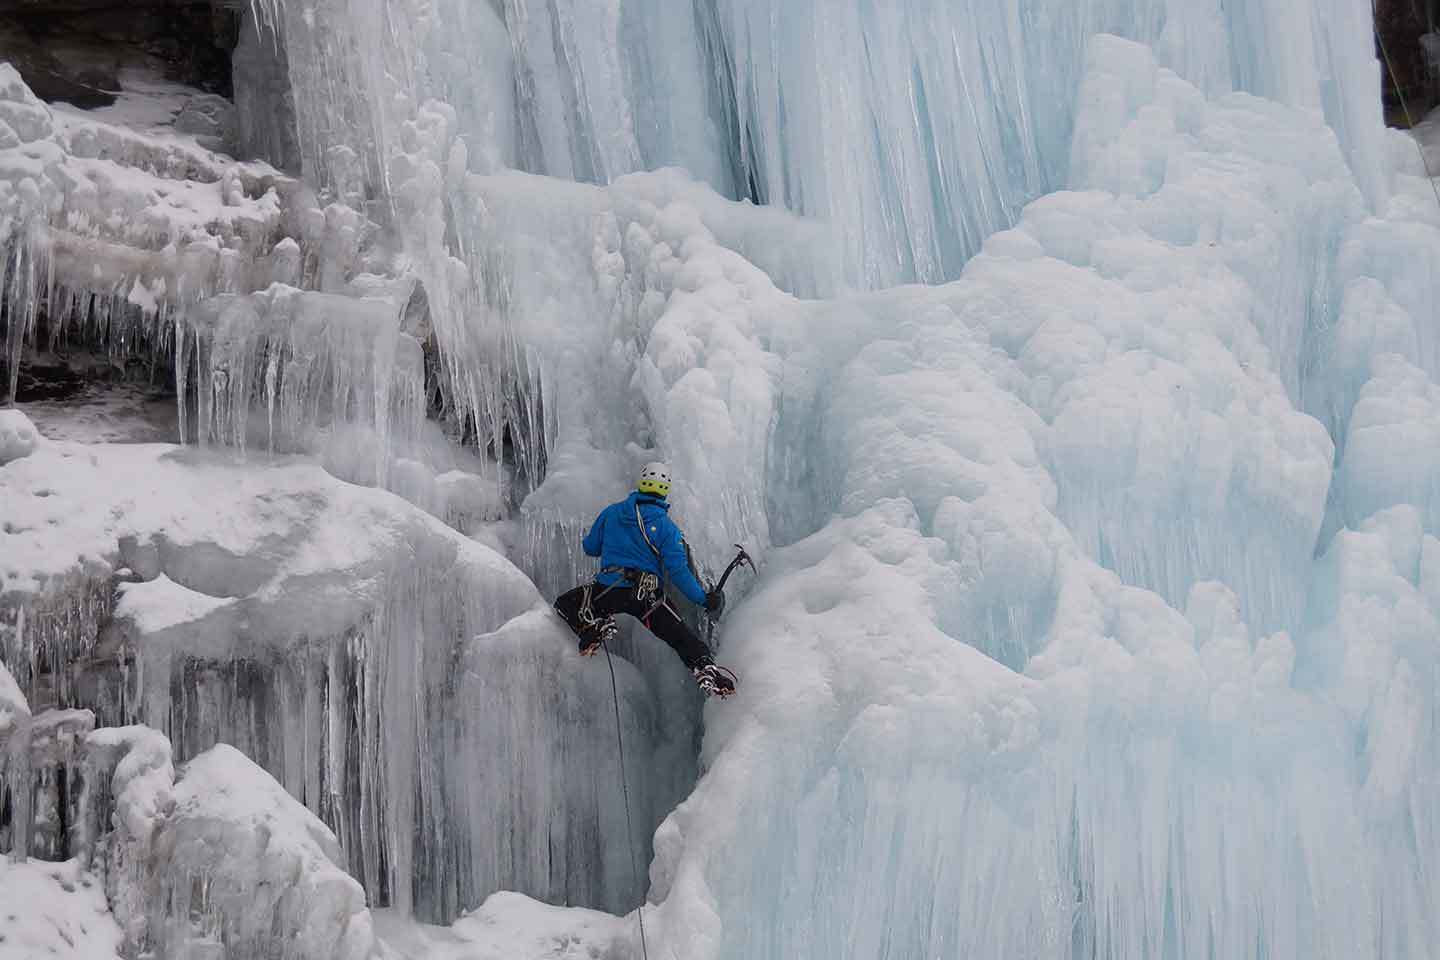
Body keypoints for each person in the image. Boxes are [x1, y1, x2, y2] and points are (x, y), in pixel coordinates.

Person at [554, 462, 737, 698]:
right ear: (665, 489)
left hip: (607, 591)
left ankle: (592, 628)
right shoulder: (667, 528)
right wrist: (704, 599)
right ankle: (707, 670)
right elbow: (679, 573)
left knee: (565, 604)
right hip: (645, 598)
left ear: (641, 482)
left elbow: (590, 547)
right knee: (680, 636)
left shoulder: (612, 513)